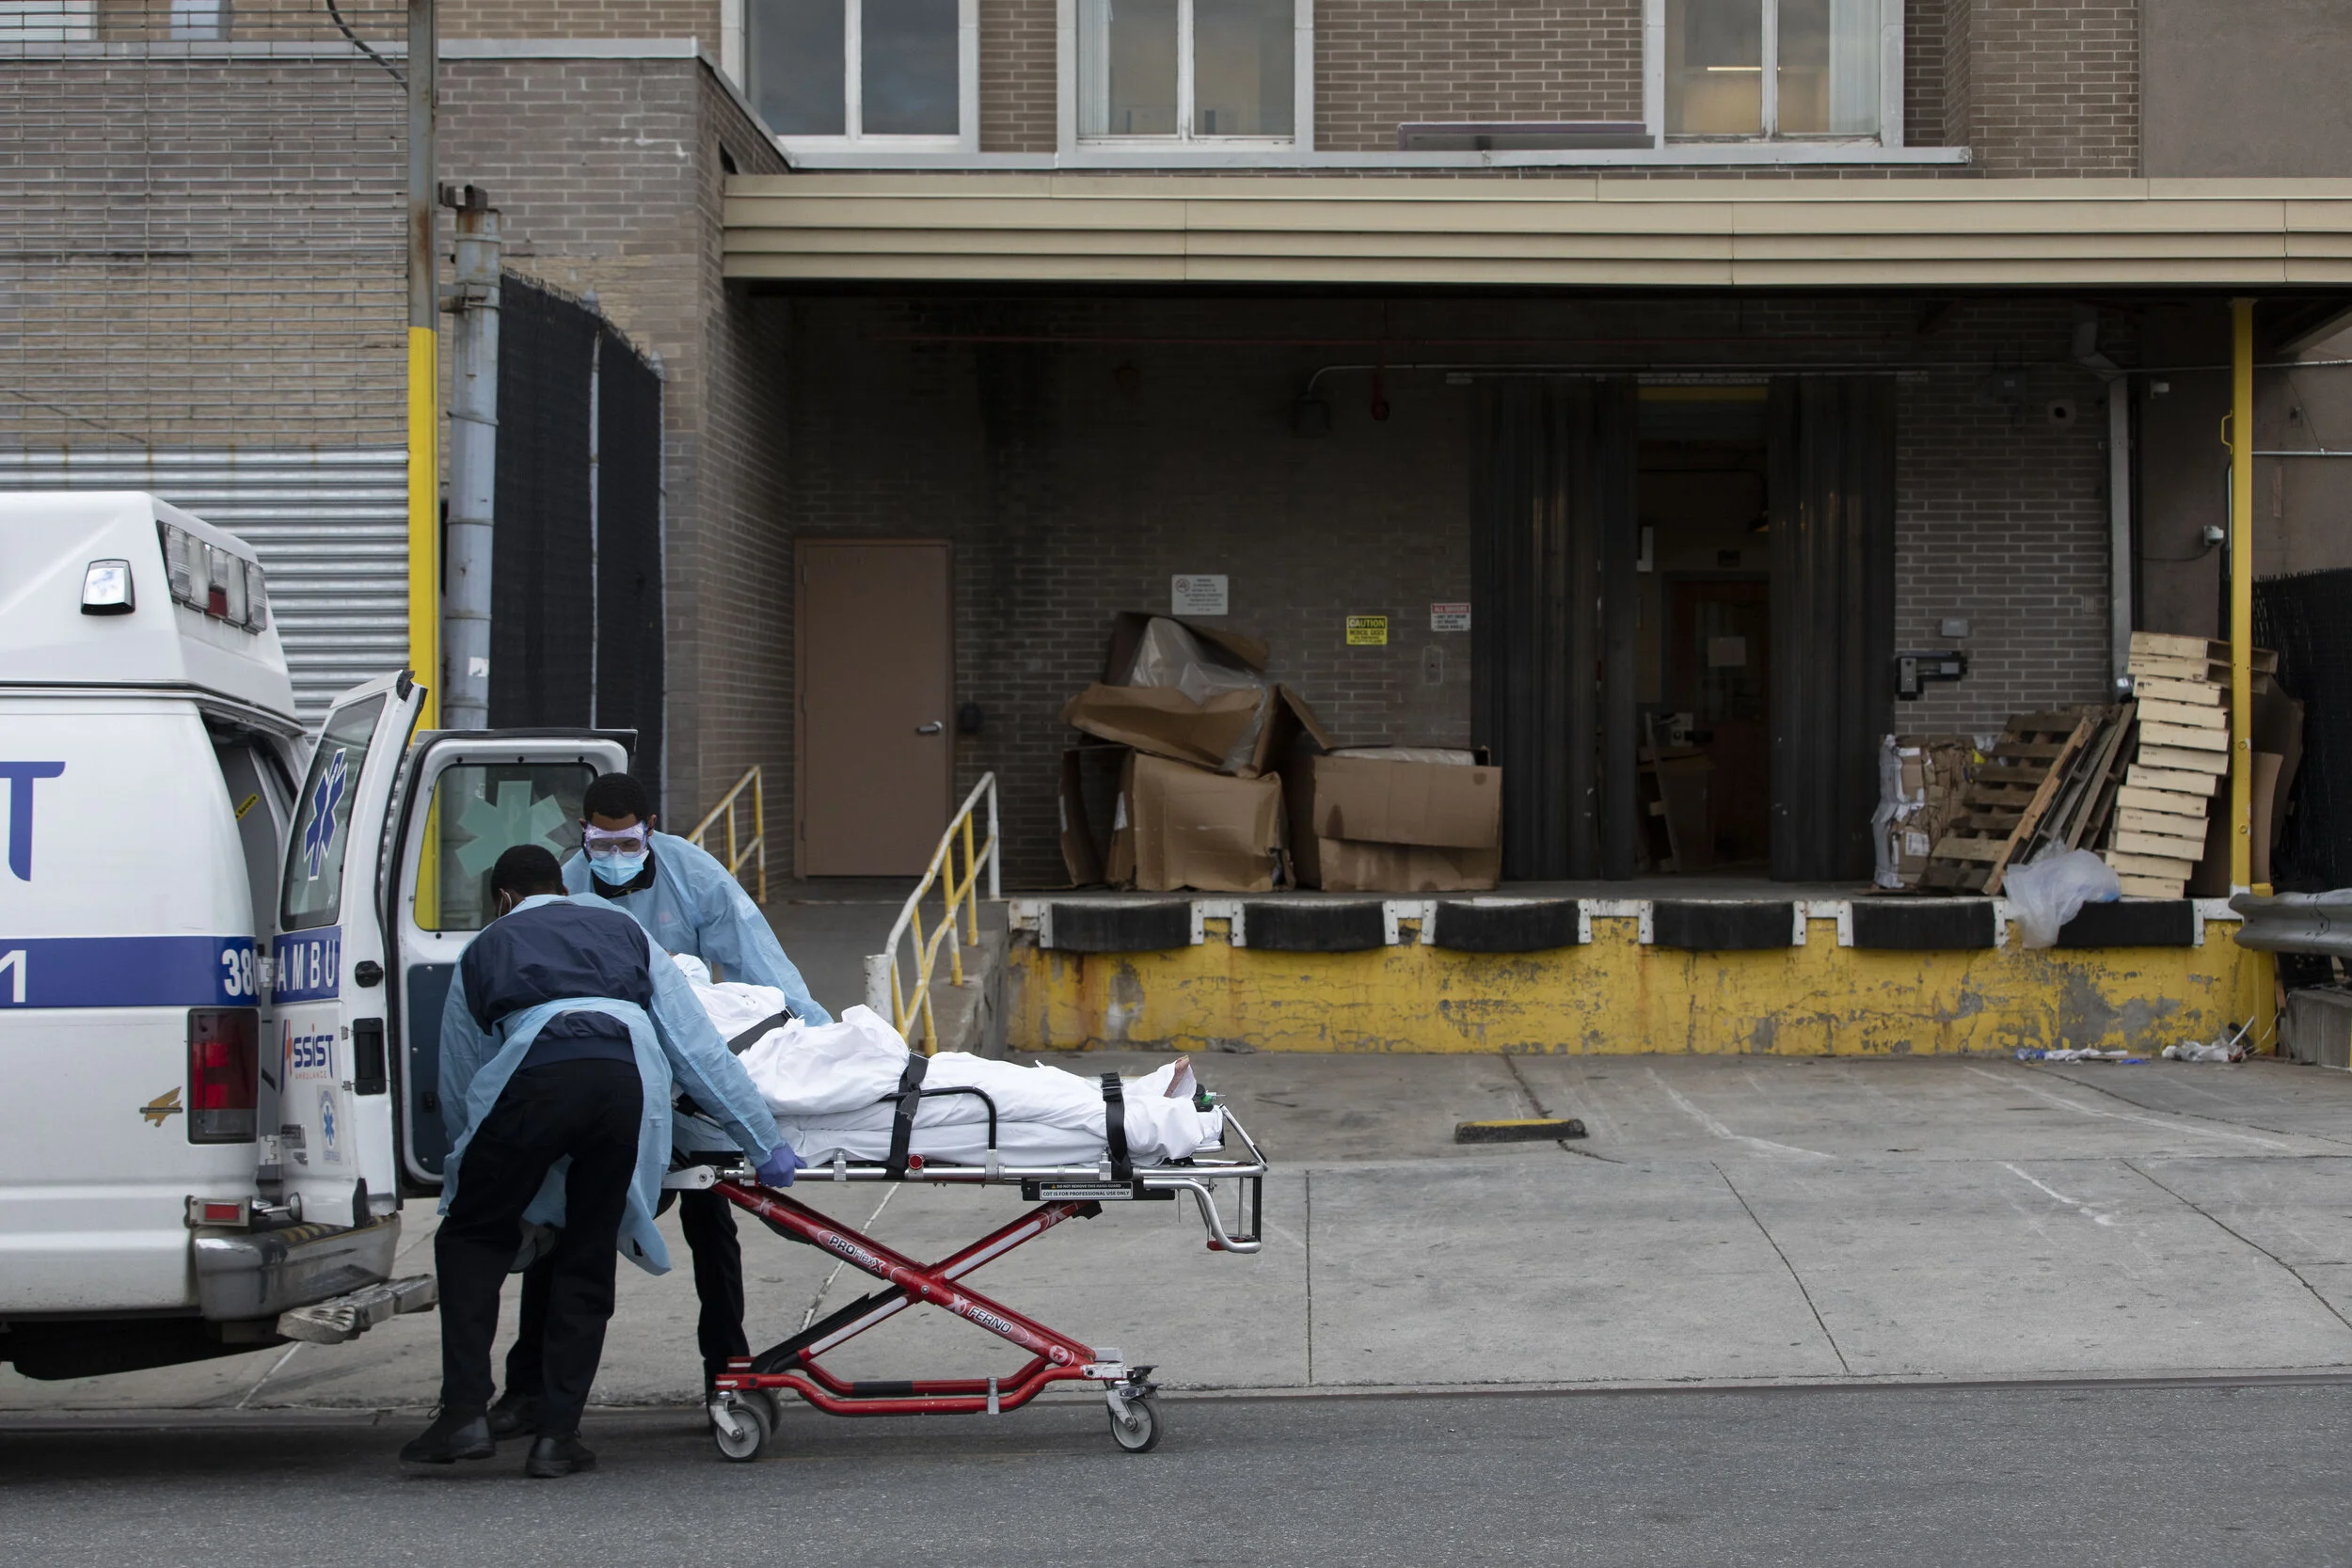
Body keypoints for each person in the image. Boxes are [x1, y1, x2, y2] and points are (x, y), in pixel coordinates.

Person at [400, 845, 803, 1479]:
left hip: (534, 1073)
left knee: (471, 1234)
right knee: (586, 1252)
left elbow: (460, 1077)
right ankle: (558, 1437)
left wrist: (470, 1174)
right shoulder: (624, 929)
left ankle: (464, 1415)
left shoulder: (488, 945)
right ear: (562, 887)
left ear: (503, 898)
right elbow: (695, 1047)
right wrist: (761, 1141)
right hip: (626, 1082)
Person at [485, 771, 829, 1437]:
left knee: (711, 1226)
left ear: (651, 829)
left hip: (687, 1076)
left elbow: (761, 967)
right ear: (582, 833)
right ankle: (528, 1389)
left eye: (627, 841)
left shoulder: (694, 877)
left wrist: (821, 1040)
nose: (613, 854)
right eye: (599, 841)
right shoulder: (563, 884)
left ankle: (724, 1372)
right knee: (562, 1226)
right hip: (605, 1075)